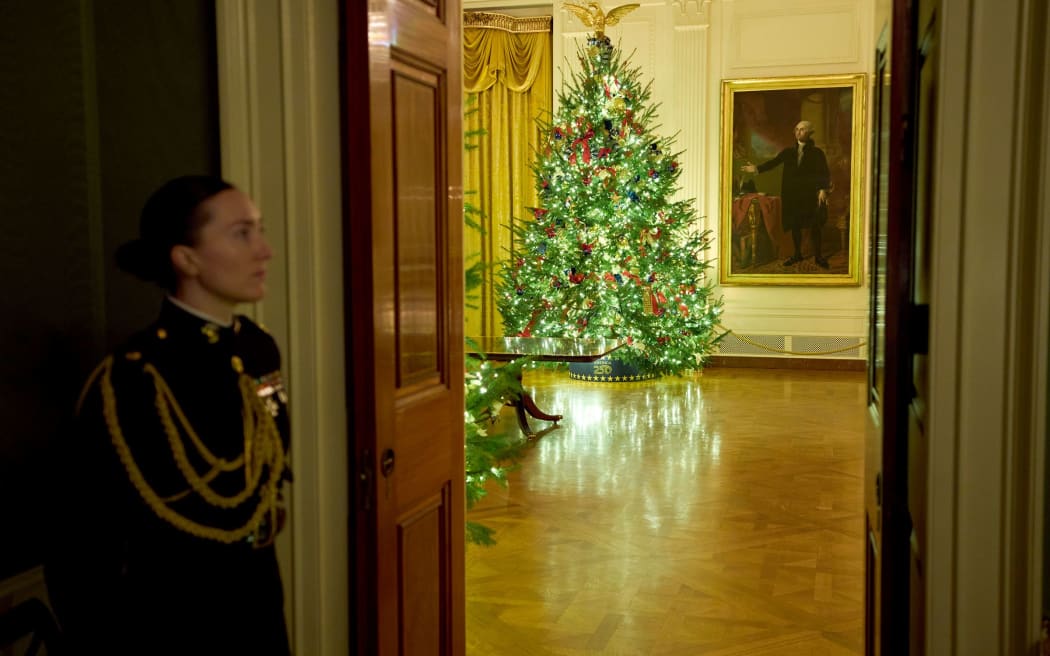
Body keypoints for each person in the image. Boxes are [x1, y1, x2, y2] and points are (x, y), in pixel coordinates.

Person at [44, 176, 292, 654]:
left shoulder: (257, 349)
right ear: (186, 259)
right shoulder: (134, 377)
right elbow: (81, 544)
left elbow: (269, 470)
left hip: (257, 597)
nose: (265, 250)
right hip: (170, 614)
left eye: (259, 230)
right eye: (242, 233)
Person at [742, 120, 832, 268]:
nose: (798, 132)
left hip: (810, 195)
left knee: (814, 225)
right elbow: (773, 162)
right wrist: (757, 169)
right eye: (797, 129)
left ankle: (818, 256)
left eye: (802, 129)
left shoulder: (817, 153)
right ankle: (797, 254)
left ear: (810, 133)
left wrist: (823, 189)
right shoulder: (788, 152)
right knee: (795, 225)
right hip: (792, 195)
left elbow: (824, 172)